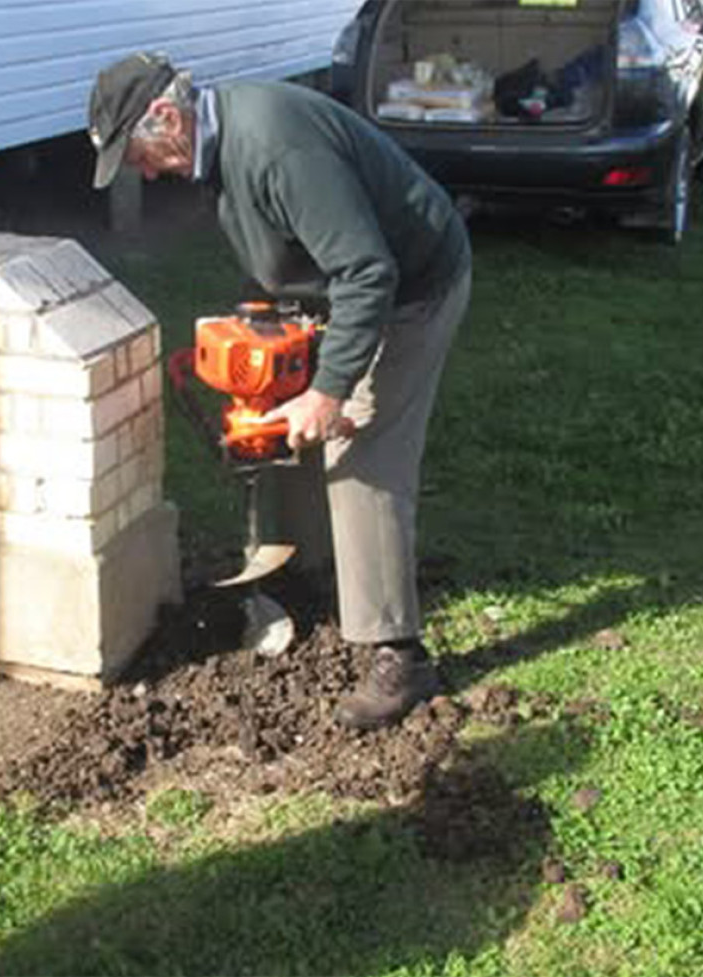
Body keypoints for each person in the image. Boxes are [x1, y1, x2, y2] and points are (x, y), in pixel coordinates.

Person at [88, 52, 472, 729]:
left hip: (412, 286)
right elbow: (280, 242)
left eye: (139, 155)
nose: (144, 173)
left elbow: (365, 271)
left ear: (167, 117)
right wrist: (261, 328)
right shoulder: (219, 144)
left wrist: (328, 390)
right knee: (290, 423)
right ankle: (307, 571)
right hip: (349, 289)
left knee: (360, 454)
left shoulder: (273, 145)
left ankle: (399, 656)